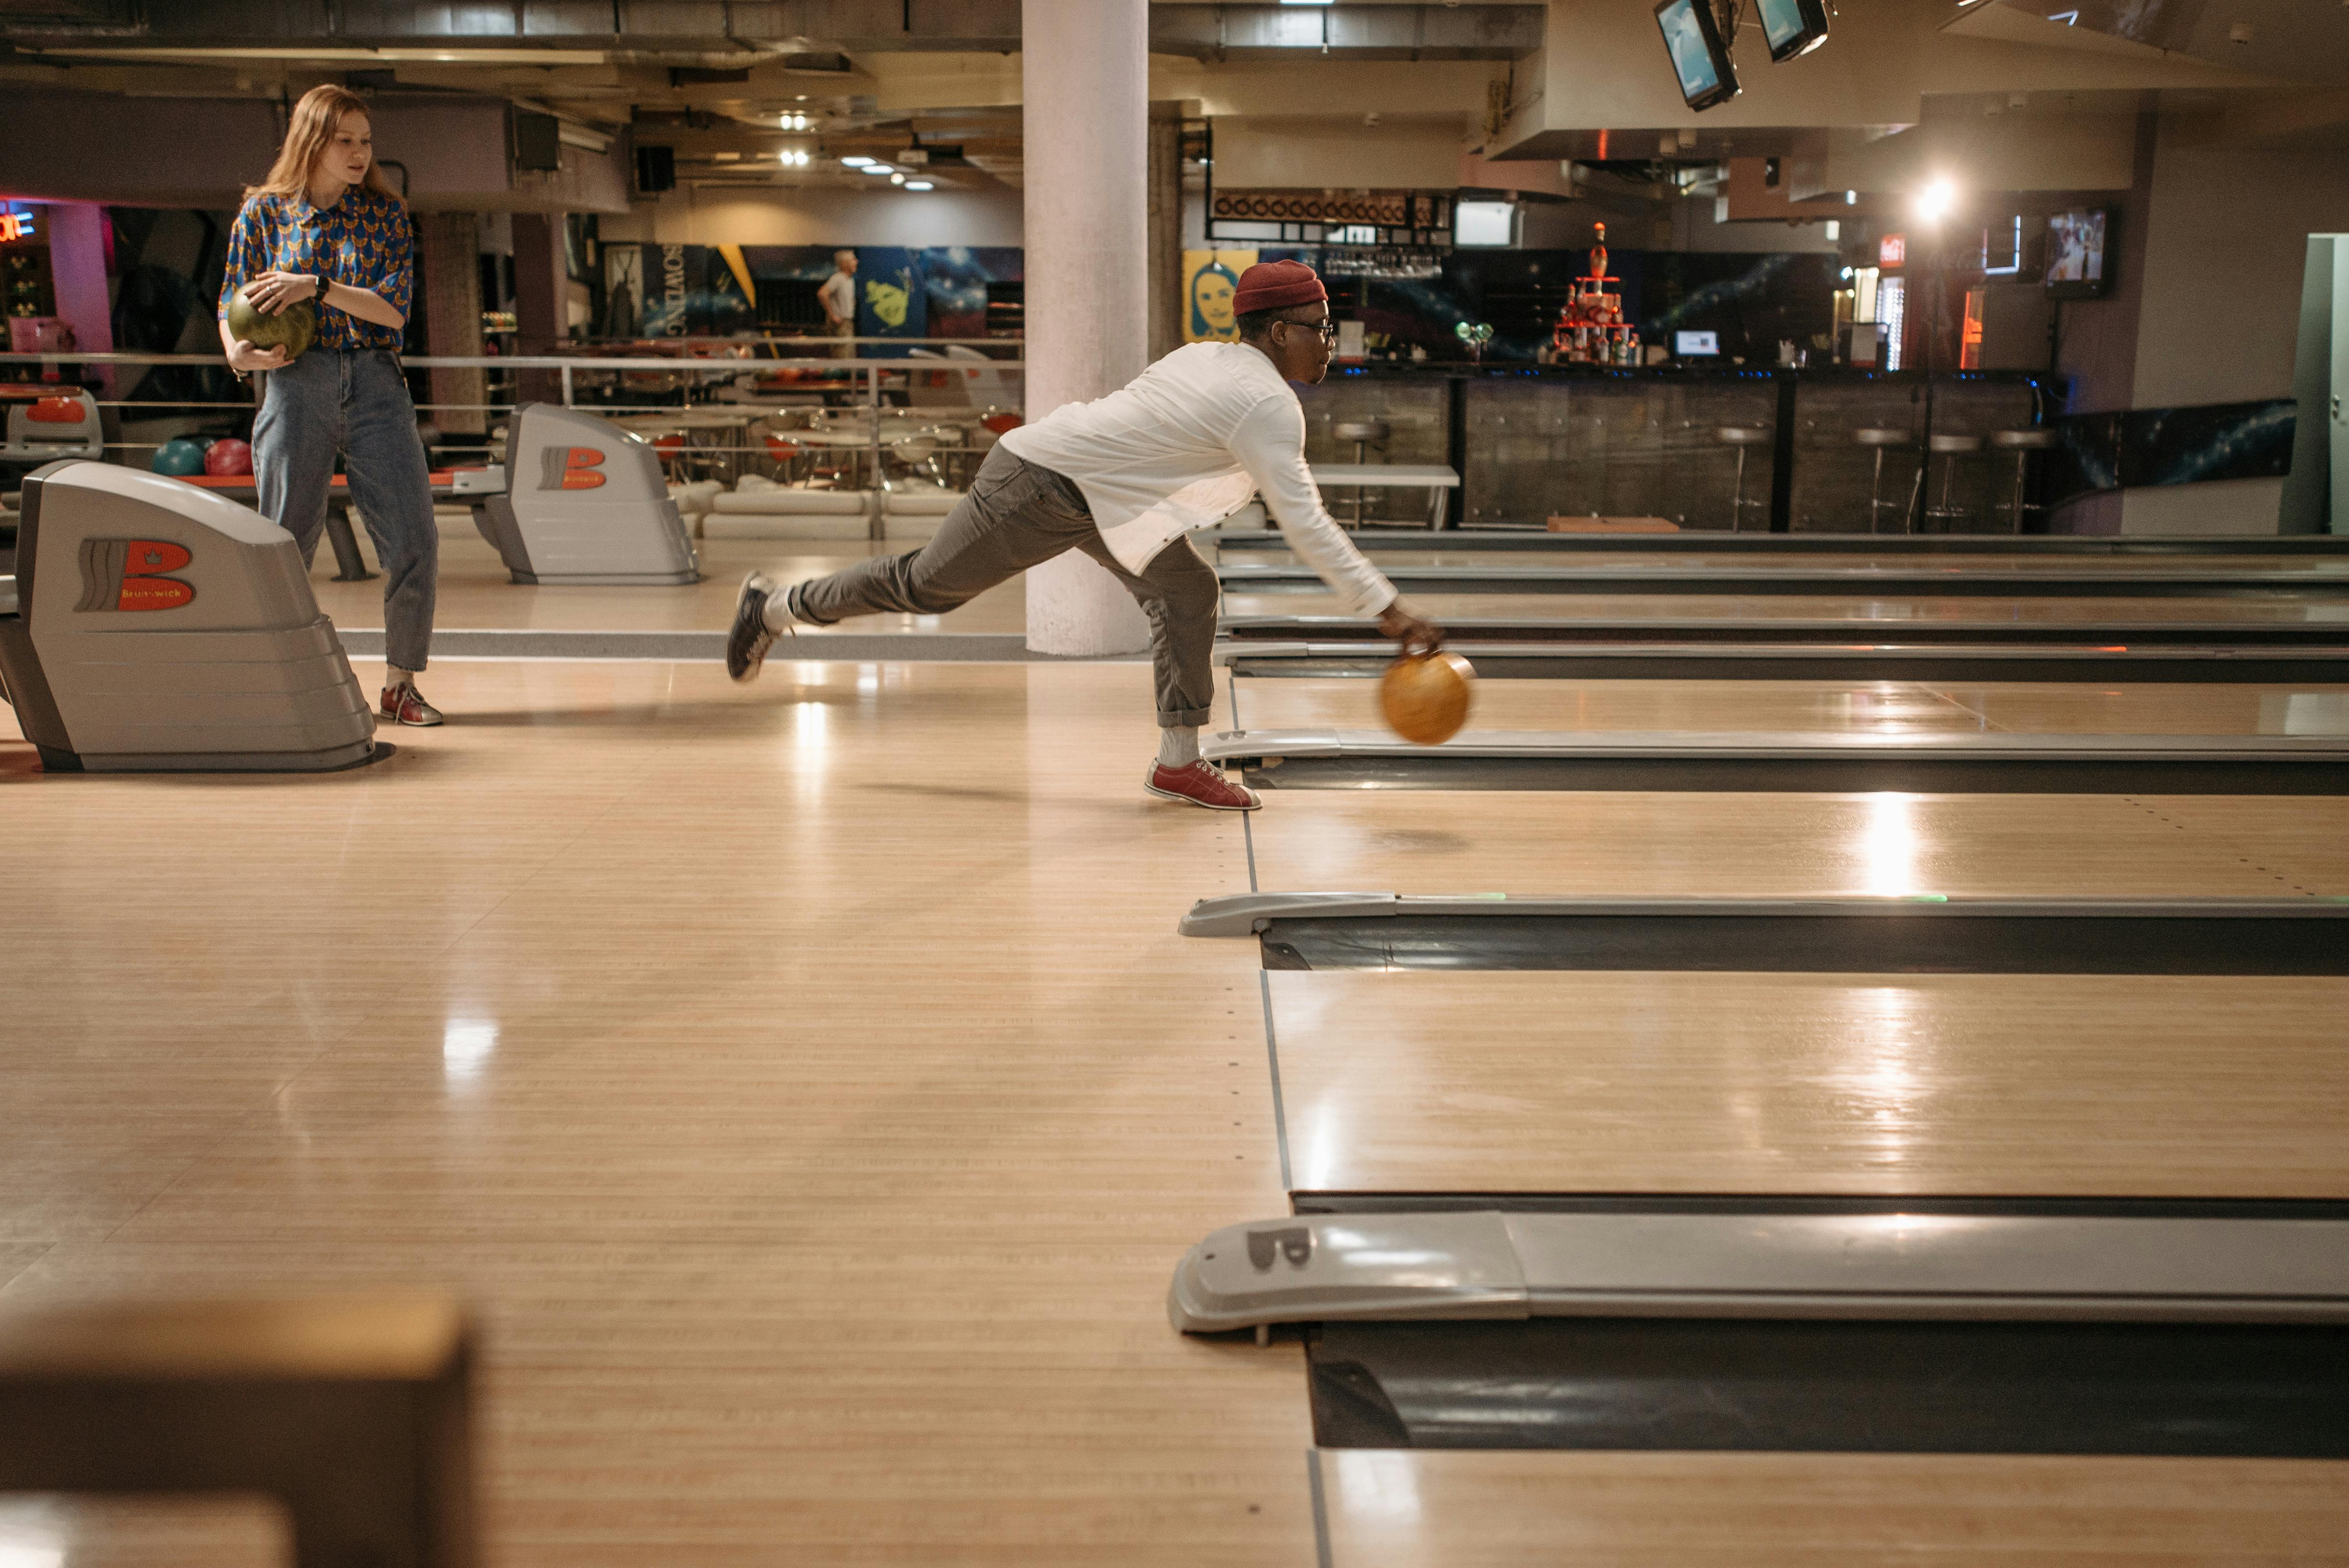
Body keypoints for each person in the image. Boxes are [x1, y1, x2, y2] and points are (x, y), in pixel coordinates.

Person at [724, 259, 1443, 811]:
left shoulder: (1206, 356)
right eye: (1320, 328)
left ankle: (1177, 762)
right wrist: (1385, 607)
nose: (1330, 343)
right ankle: (774, 608)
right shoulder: (1263, 403)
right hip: (1038, 483)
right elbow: (1303, 518)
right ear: (1280, 332)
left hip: (1099, 498)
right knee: (926, 588)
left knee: (1188, 589)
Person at [217, 83, 442, 726]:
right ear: (312, 142)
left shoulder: (385, 214)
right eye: (344, 140)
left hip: (375, 381)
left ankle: (401, 686)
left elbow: (392, 312)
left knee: (413, 537)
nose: (357, 152)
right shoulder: (262, 215)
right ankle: (276, 684)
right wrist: (236, 352)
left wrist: (314, 285)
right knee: (285, 541)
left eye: (365, 141)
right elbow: (231, 301)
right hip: (295, 381)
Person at [818, 249, 858, 358]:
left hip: (847, 322)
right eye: (853, 259)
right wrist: (833, 316)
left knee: (850, 357)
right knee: (843, 359)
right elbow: (822, 294)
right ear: (845, 264)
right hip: (841, 323)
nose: (857, 262)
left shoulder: (850, 280)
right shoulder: (838, 278)